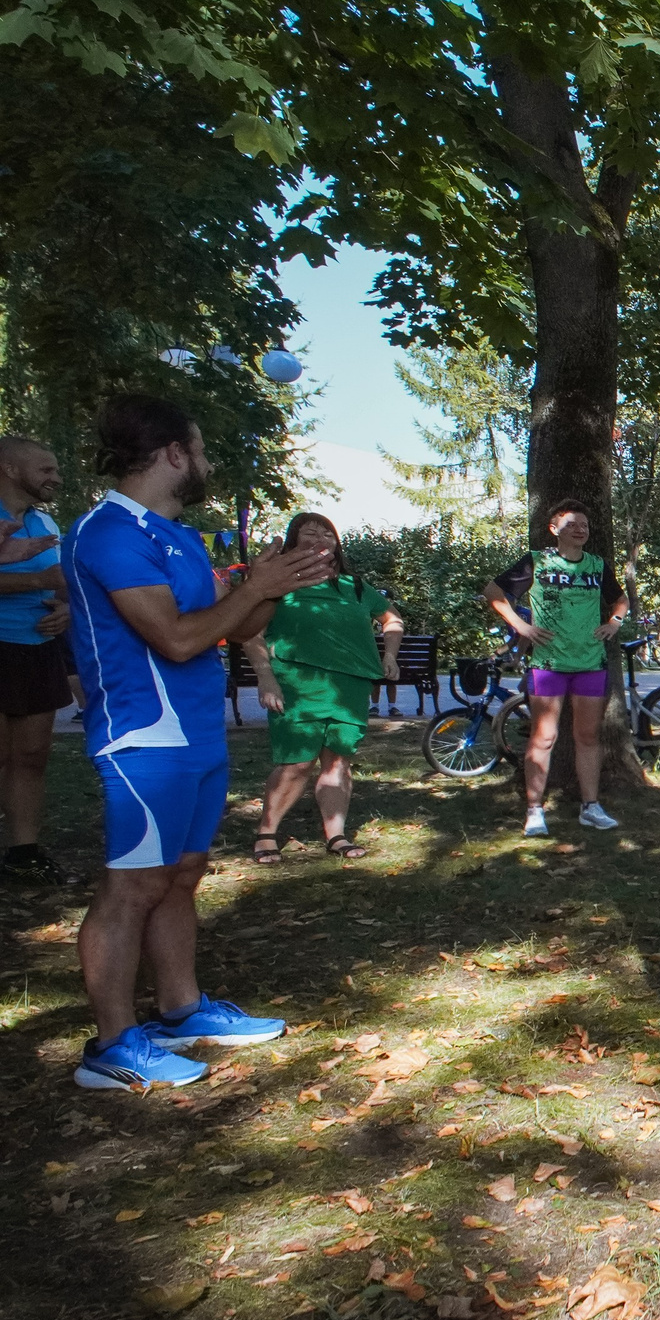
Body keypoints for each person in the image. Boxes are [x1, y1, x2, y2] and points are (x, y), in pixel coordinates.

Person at [63, 394, 326, 1088]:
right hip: (145, 737)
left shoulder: (178, 535)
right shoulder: (109, 532)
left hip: (198, 735)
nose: (206, 462)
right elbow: (178, 638)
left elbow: (231, 627)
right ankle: (112, 1046)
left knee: (182, 876)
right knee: (133, 885)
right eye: (201, 449)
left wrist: (281, 582)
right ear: (173, 452)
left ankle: (182, 1010)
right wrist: (256, 586)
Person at [240, 513, 402, 863]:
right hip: (296, 683)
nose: (319, 539)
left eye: (327, 533)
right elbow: (250, 632)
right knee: (297, 762)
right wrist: (265, 676)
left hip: (349, 686)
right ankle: (266, 834)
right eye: (308, 533)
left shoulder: (356, 587)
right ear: (293, 542)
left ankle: (337, 835)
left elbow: (393, 618)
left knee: (338, 763)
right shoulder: (278, 584)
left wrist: (390, 654)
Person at [485, 502, 626, 837]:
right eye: (572, 523)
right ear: (554, 528)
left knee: (588, 736)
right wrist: (521, 626)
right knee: (544, 736)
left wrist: (615, 622)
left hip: (590, 662)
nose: (580, 529)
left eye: (585, 524)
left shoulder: (596, 565)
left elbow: (620, 600)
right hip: (548, 664)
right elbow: (493, 592)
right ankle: (534, 810)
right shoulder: (538, 561)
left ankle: (590, 807)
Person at [0, 434, 79, 884]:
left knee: (31, 756)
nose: (56, 477)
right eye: (46, 470)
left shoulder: (42, 520)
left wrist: (67, 608)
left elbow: (60, 579)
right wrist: (37, 583)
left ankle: (23, 854)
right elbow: (43, 577)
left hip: (39, 648)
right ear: (11, 470)